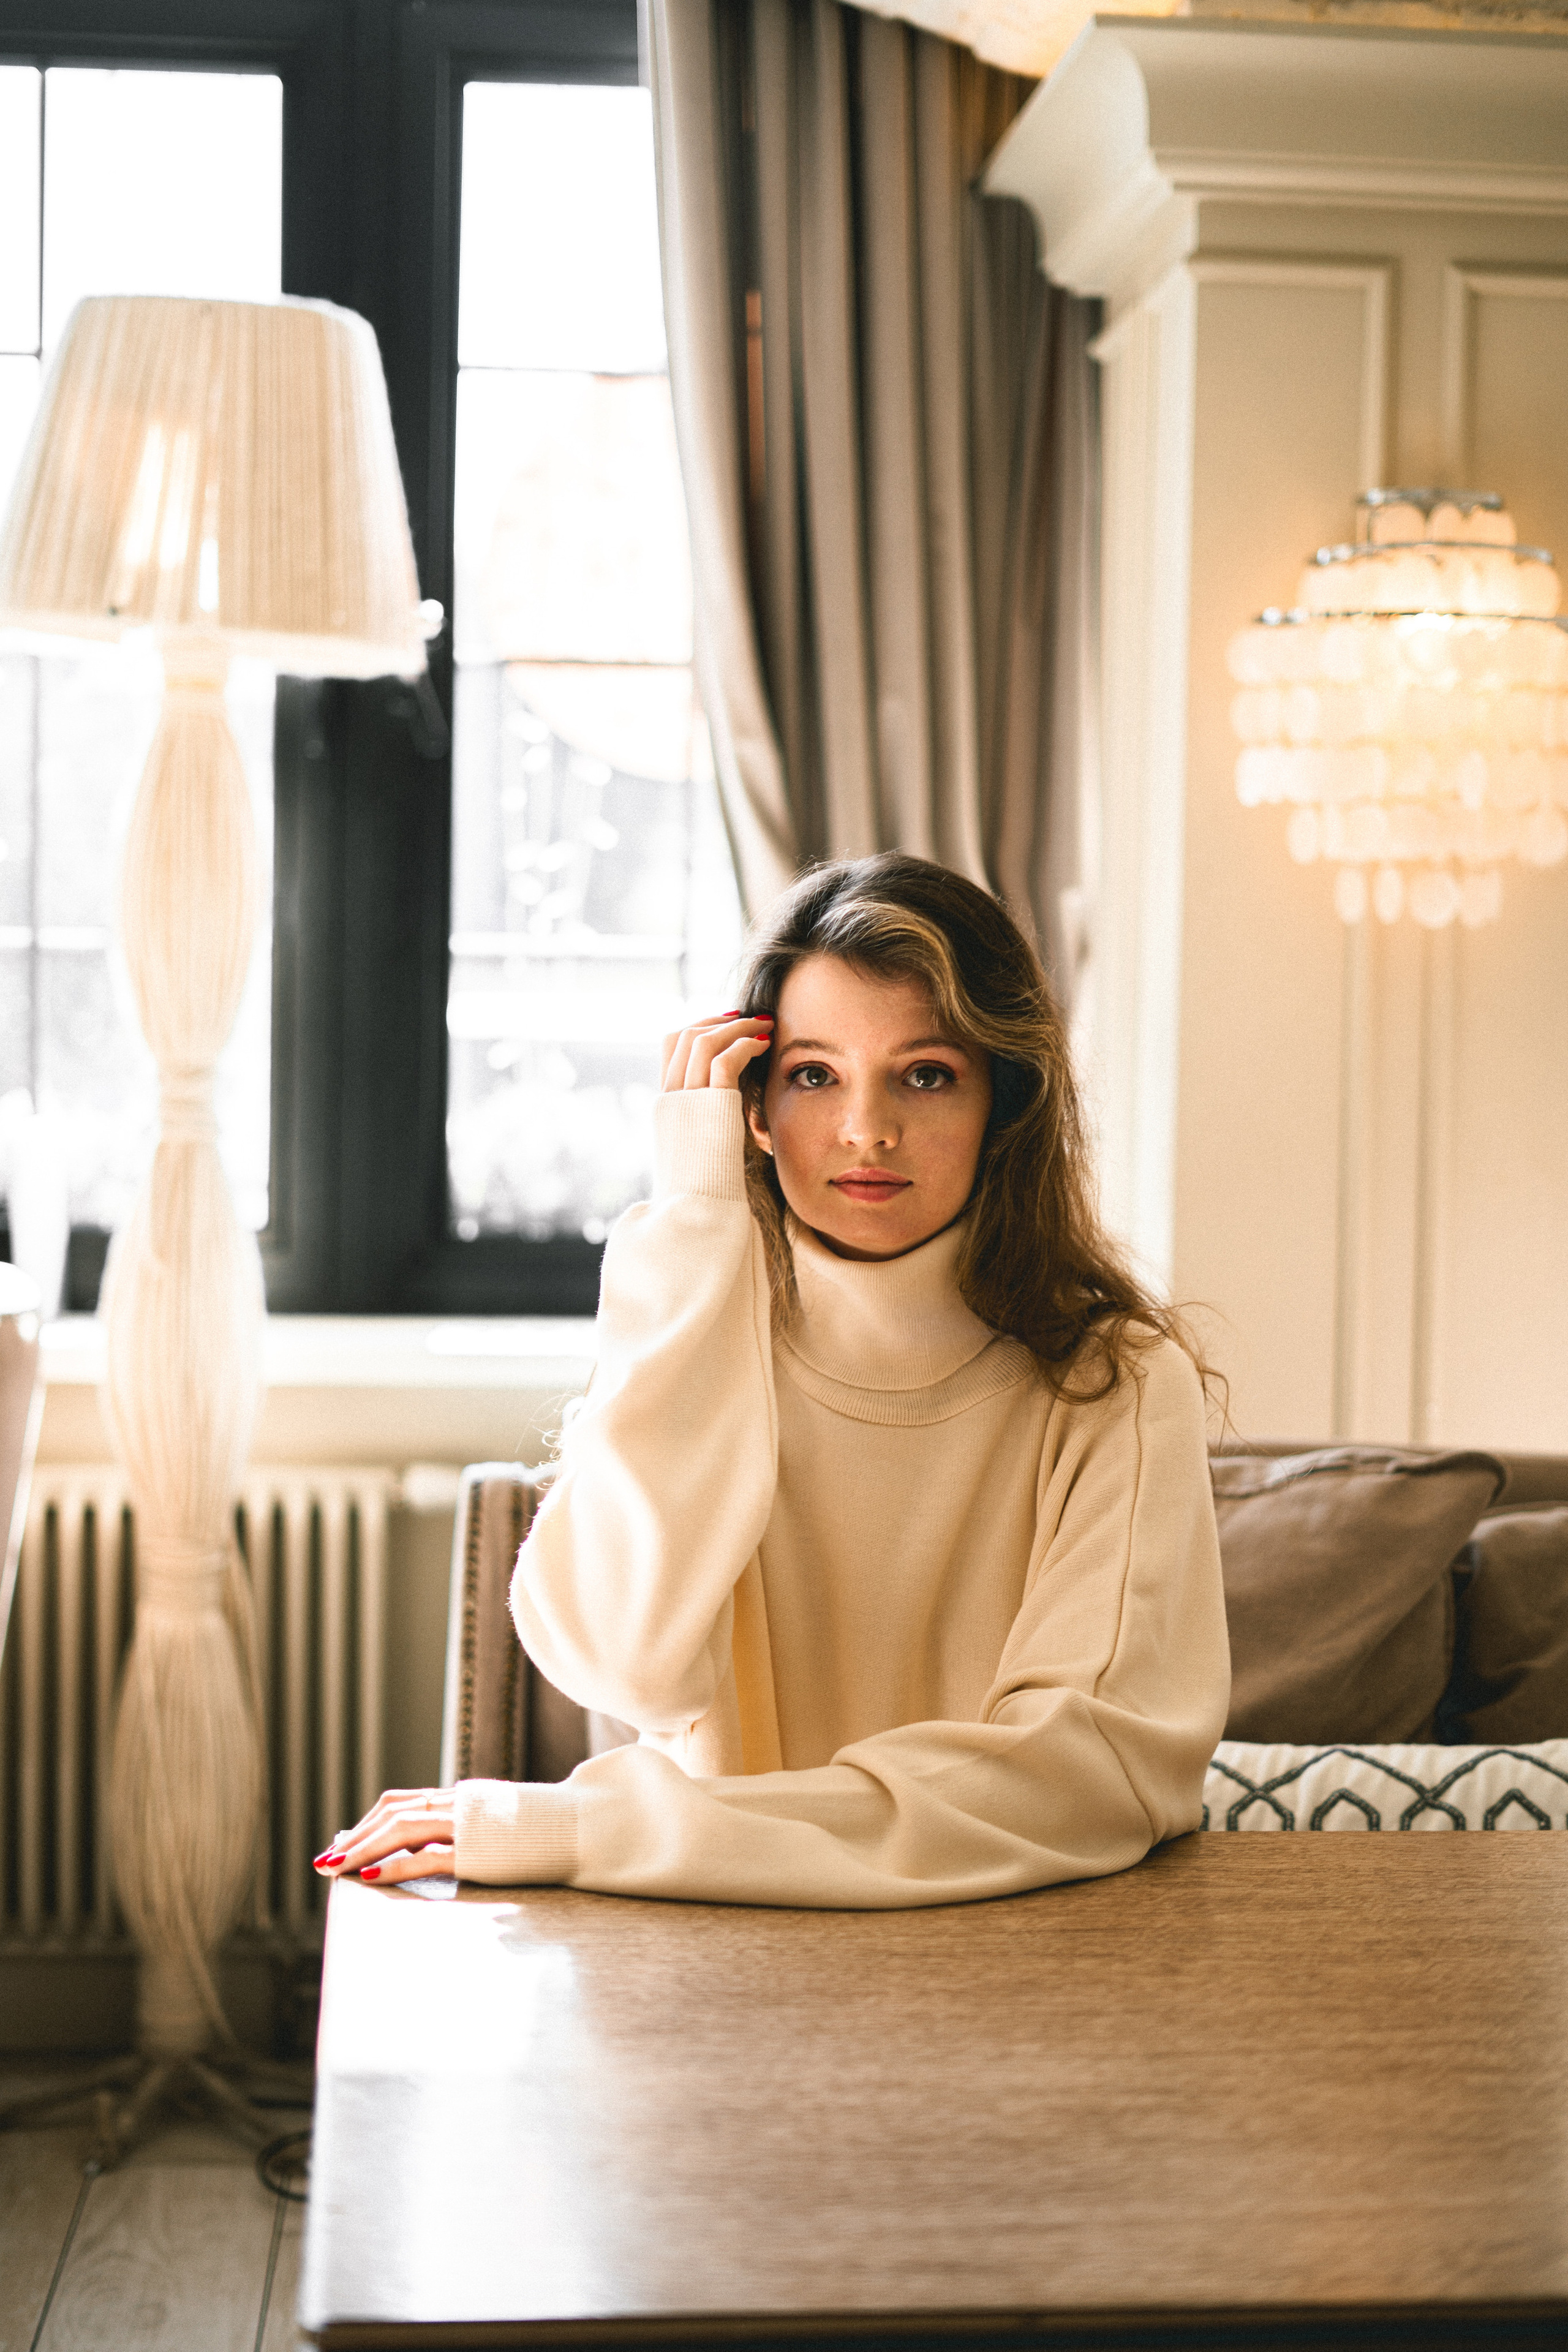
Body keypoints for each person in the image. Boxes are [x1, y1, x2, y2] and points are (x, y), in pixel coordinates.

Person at [317, 854, 1229, 1907]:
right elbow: (623, 1663)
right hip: (717, 1953)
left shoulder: (1116, 1383)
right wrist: (694, 1218)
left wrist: (596, 1830)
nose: (866, 1129)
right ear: (753, 1109)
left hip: (1011, 1954)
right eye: (813, 1075)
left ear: (1003, 1103)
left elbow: (1080, 1782)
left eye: (927, 1075)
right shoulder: (703, 1333)